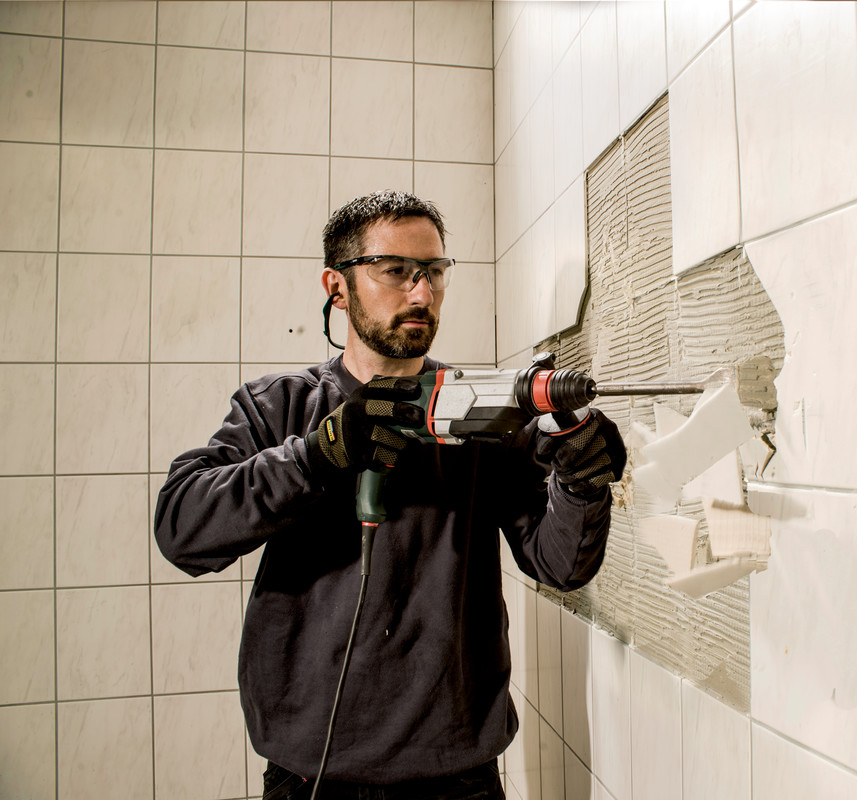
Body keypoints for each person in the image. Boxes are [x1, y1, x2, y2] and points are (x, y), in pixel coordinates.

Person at [155, 191, 626, 800]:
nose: (422, 293)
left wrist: (581, 481)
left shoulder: (480, 414)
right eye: (396, 270)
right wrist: (317, 455)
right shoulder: (281, 406)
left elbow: (560, 565)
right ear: (338, 286)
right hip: (310, 776)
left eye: (434, 271)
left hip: (458, 778)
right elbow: (182, 529)